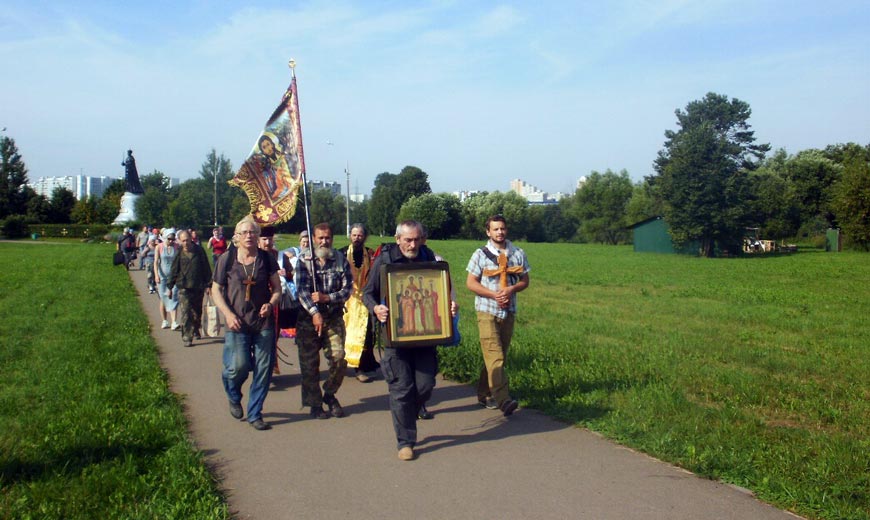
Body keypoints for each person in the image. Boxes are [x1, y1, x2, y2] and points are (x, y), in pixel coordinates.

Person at [363, 220, 458, 461]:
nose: (412, 244)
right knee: (401, 389)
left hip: (426, 334)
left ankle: (409, 412)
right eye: (408, 240)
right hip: (395, 337)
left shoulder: (431, 259)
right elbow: (367, 294)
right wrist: (377, 309)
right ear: (398, 240)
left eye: (417, 239)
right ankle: (405, 442)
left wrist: (450, 306)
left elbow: (443, 292)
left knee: (425, 385)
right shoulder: (384, 261)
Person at [211, 215, 282, 431]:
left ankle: (254, 413)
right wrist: (228, 314)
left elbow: (277, 289)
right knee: (238, 366)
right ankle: (233, 392)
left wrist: (270, 304)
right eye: (244, 232)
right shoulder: (227, 259)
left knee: (264, 368)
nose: (249, 236)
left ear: (258, 236)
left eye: (253, 232)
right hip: (237, 322)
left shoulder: (266, 259)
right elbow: (216, 289)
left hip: (262, 323)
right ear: (236, 237)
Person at [466, 215, 530, 417]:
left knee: (496, 355)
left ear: (506, 230)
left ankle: (484, 393)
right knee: (495, 354)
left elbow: (525, 280)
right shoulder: (480, 255)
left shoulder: (517, 253)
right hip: (486, 309)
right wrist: (494, 294)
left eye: (502, 228)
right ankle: (504, 400)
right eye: (495, 229)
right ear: (488, 232)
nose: (499, 232)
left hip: (508, 310)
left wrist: (511, 290)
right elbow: (471, 283)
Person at [294, 223, 353, 419]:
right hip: (308, 319)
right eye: (320, 238)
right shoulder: (303, 260)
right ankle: (314, 403)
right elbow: (301, 291)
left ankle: (329, 394)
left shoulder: (340, 260)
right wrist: (314, 312)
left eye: (327, 238)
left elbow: (347, 289)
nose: (324, 241)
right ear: (313, 238)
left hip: (333, 316)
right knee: (309, 365)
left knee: (338, 358)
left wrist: (327, 298)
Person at [339, 223, 380, 383]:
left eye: (360, 235)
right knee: (350, 334)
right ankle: (353, 366)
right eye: (354, 235)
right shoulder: (342, 253)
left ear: (365, 237)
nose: (357, 238)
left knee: (367, 334)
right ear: (350, 235)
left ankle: (365, 364)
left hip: (366, 299)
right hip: (348, 300)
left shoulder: (370, 254)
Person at [167, 230, 213, 347]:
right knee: (186, 312)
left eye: (187, 240)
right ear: (180, 241)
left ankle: (196, 328)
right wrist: (170, 287)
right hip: (184, 287)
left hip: (198, 285)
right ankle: (187, 336)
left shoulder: (199, 251)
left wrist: (209, 284)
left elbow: (206, 267)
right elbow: (174, 270)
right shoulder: (179, 253)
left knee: (197, 312)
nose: (186, 243)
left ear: (191, 239)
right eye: (183, 241)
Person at [154, 228, 180, 330]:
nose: (171, 241)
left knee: (173, 297)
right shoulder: (159, 247)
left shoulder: (176, 247)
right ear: (165, 237)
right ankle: (165, 320)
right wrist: (156, 275)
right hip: (162, 277)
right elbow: (156, 262)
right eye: (169, 239)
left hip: (173, 276)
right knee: (163, 299)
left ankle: (174, 322)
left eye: (173, 239)